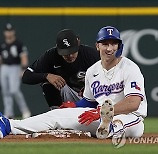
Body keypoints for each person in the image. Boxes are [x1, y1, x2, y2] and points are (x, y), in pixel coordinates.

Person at [0, 26, 147, 144]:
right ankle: (8, 124)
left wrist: (103, 111)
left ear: (119, 46)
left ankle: (110, 128)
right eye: (105, 44)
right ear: (97, 46)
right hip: (98, 116)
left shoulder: (129, 68)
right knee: (57, 115)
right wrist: (74, 106)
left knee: (118, 124)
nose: (109, 48)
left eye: (114, 43)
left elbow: (133, 103)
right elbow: (88, 102)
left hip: (129, 117)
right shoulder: (92, 71)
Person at [22, 29, 100, 110]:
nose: (70, 55)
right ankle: (57, 113)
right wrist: (46, 76)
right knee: (47, 81)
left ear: (78, 43)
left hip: (89, 98)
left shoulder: (90, 54)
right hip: (67, 95)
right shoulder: (51, 55)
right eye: (65, 53)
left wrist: (89, 88)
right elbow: (26, 77)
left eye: (72, 51)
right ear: (57, 47)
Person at [0, 23, 31, 119]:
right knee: (5, 92)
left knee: (14, 90)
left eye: (10, 31)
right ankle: (8, 113)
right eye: (7, 31)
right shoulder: (3, 44)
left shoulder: (18, 44)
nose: (8, 33)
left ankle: (25, 110)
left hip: (15, 67)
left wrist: (23, 69)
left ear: (13, 32)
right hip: (4, 68)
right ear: (4, 32)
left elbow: (24, 57)